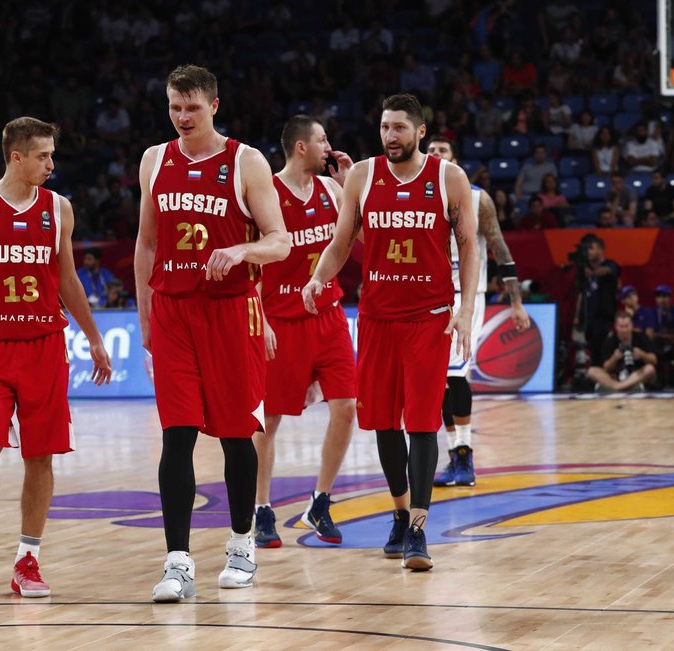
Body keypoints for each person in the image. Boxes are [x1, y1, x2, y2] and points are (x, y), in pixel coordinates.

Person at [0, 117, 113, 598]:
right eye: (43, 156)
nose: (52, 164)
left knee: (41, 456)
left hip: (44, 347)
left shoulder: (59, 209)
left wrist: (94, 337)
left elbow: (68, 281)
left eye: (53, 155)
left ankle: (28, 559)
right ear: (16, 156)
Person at [134, 65, 290, 602]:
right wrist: (145, 319)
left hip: (230, 311)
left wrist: (242, 250)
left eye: (192, 108)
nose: (182, 117)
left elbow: (280, 242)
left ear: (215, 106)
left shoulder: (246, 161)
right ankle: (177, 562)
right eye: (175, 107)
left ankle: (242, 544)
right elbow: (147, 246)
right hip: (173, 310)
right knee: (176, 435)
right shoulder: (154, 159)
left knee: (234, 433)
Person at [304, 93, 479, 571]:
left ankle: (420, 530)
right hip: (378, 318)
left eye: (399, 127)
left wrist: (463, 311)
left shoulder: (449, 178)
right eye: (384, 127)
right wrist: (319, 277)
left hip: (429, 317)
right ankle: (400, 515)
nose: (390, 136)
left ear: (421, 131)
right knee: (384, 423)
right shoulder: (361, 175)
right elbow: (341, 242)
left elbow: (468, 245)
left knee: (422, 423)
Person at [252, 115, 356, 549]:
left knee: (348, 407)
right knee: (268, 421)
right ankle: (261, 509)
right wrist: (260, 319)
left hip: (329, 315)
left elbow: (357, 238)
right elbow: (253, 266)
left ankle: (320, 501)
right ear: (300, 147)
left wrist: (352, 185)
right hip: (281, 320)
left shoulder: (333, 190)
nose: (329, 147)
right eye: (322, 140)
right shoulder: (267, 195)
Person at [425, 136, 530, 488]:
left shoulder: (476, 197)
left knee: (455, 374)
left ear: (454, 159)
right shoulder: (419, 195)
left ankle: (466, 456)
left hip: (465, 293)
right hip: (427, 294)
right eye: (431, 151)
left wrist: (515, 301)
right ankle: (456, 455)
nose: (435, 155)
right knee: (437, 380)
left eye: (442, 150)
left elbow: (499, 246)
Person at [572, 234, 620, 354]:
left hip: (604, 315)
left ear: (601, 249)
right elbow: (581, 293)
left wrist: (592, 273)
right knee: (585, 350)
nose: (588, 252)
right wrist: (577, 316)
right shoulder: (583, 269)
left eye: (591, 248)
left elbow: (606, 271)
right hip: (587, 316)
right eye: (587, 249)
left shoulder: (610, 264)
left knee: (602, 348)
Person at [587, 311, 657, 391]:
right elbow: (606, 368)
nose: (624, 330)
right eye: (621, 326)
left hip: (635, 375)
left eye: (626, 326)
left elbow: (654, 360)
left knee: (650, 369)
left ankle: (615, 388)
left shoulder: (641, 337)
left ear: (631, 326)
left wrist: (642, 355)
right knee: (592, 371)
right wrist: (614, 358)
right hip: (615, 377)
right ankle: (620, 387)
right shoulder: (609, 341)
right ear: (616, 327)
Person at [648, 284, 674, 389]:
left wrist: (661, 335)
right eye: (659, 297)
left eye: (665, 296)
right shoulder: (651, 313)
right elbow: (650, 334)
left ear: (670, 298)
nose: (662, 300)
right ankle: (654, 380)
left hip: (673, 345)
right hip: (657, 345)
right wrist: (669, 335)